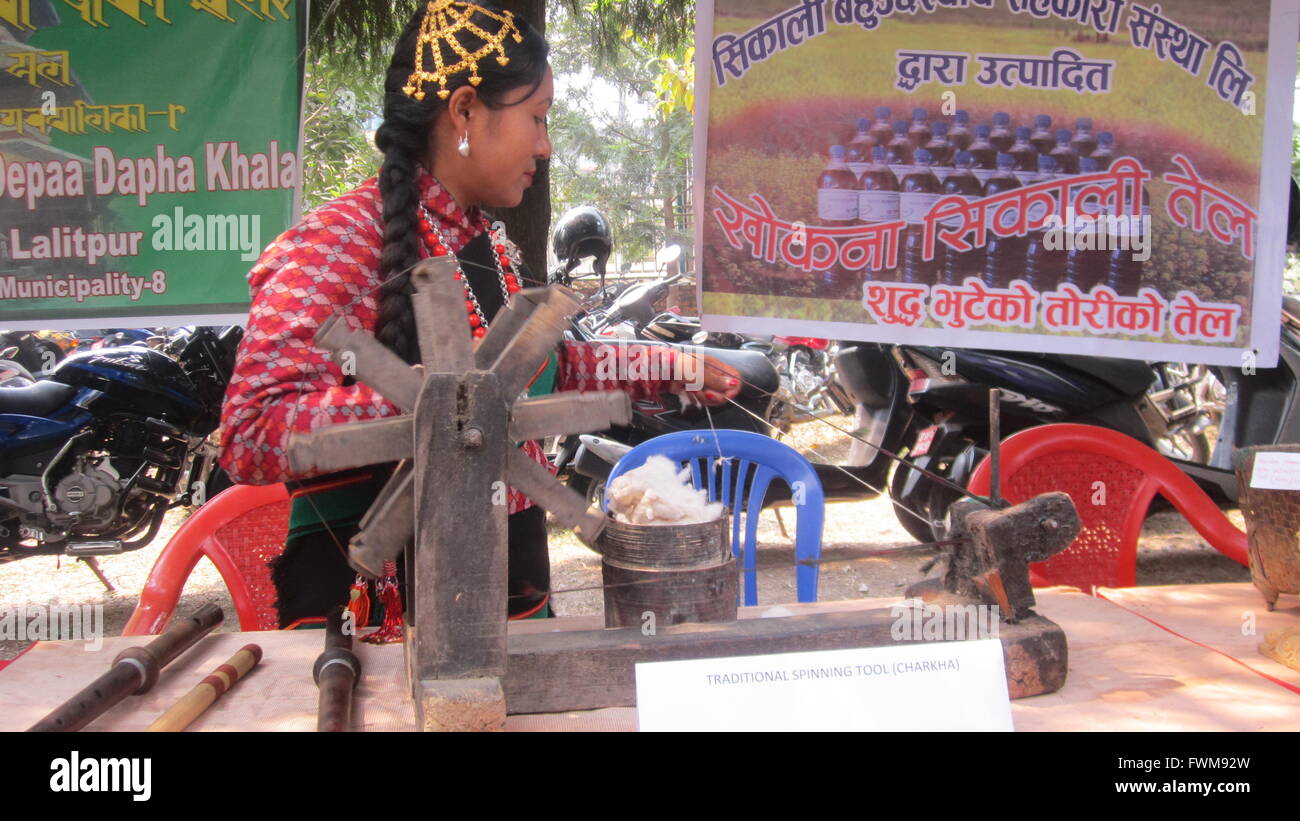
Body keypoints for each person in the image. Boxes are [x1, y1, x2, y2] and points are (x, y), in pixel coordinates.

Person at [217, 0, 740, 630]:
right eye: (537, 118)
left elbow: (534, 374)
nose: (545, 146)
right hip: (374, 611)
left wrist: (666, 366)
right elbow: (251, 436)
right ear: (465, 110)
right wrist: (440, 404)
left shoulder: (486, 242)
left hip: (507, 579)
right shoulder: (335, 244)